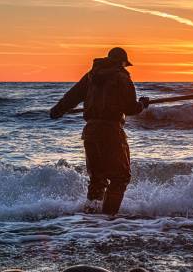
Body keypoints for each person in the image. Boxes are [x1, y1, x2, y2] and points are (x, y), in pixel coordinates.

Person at [50, 47, 150, 216]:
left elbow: (71, 98)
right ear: (122, 62)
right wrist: (142, 104)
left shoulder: (91, 76)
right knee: (120, 178)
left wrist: (57, 111)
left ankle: (92, 220)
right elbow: (130, 108)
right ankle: (107, 221)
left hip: (90, 132)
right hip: (111, 132)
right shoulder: (121, 77)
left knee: (98, 179)